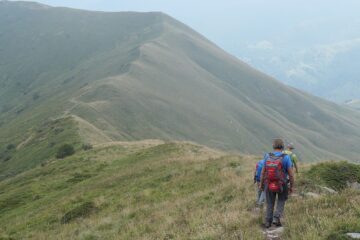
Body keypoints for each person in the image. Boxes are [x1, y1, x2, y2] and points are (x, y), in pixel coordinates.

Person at [260, 138, 295, 228]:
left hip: (269, 183)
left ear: (273, 146)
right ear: (282, 147)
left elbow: (263, 172)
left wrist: (261, 184)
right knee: (281, 200)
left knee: (270, 202)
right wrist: (291, 186)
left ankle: (268, 222)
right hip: (282, 184)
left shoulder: (267, 156)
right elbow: (291, 175)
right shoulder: (286, 157)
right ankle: (276, 219)